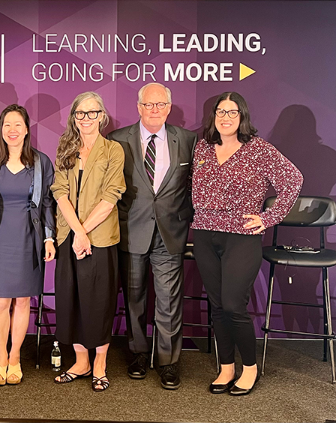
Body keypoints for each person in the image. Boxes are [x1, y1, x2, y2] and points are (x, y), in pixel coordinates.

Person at [191, 92, 303, 395]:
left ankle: (249, 368)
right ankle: (226, 367)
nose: (226, 117)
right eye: (220, 111)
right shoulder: (202, 146)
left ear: (243, 117)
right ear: (213, 115)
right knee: (216, 306)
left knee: (232, 304)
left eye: (233, 112)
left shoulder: (258, 149)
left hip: (242, 236)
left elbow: (293, 179)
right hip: (203, 232)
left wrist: (269, 217)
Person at [107, 82, 197, 390]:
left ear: (169, 108)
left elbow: (195, 186)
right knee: (134, 298)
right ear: (138, 107)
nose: (154, 110)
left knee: (168, 300)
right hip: (131, 231)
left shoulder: (187, 140)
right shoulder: (118, 140)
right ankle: (138, 354)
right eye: (148, 105)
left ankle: (168, 361)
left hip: (171, 231)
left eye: (160, 105)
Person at [0, 104, 55, 385]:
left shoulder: (41, 163)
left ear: (26, 129)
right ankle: (0, 358)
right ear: (1, 129)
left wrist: (48, 237)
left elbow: (47, 203)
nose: (12, 130)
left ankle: (15, 357)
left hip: (28, 238)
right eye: (7, 125)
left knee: (22, 301)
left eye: (18, 124)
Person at [51, 92, 125, 392]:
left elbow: (111, 195)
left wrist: (85, 232)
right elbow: (59, 191)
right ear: (73, 117)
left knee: (99, 302)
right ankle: (81, 362)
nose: (85, 119)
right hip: (69, 235)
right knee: (72, 300)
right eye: (80, 114)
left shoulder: (113, 150)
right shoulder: (65, 146)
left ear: (101, 116)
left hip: (101, 238)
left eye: (91, 113)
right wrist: (77, 233)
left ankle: (100, 365)